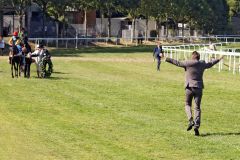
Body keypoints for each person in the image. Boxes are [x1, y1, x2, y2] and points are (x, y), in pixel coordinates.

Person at [164, 51, 224, 136]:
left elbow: (177, 63)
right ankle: (196, 125)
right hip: (199, 87)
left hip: (189, 87)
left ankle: (190, 120)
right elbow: (210, 64)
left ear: (192, 56)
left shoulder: (188, 63)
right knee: (197, 108)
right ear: (198, 57)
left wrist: (167, 58)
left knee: (187, 104)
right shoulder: (202, 63)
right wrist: (219, 58)